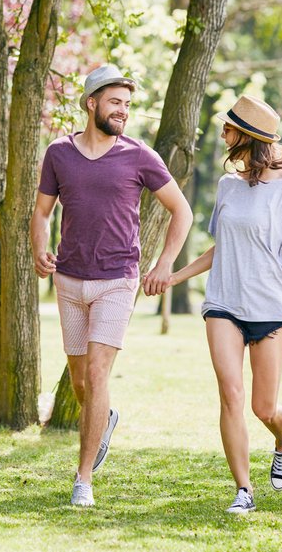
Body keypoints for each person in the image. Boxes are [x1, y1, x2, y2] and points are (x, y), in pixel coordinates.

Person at [162, 95, 282, 514]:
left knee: (263, 407)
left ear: (248, 137)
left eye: (228, 128)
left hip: (272, 306)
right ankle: (243, 490)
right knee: (230, 395)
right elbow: (219, 248)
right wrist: (174, 277)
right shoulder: (227, 186)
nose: (222, 133)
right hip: (224, 301)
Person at [30, 64, 193, 507]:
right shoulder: (59, 154)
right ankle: (106, 417)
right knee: (82, 382)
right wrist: (39, 248)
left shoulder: (140, 155)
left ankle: (83, 479)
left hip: (117, 281)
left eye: (127, 104)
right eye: (115, 102)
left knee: (99, 374)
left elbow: (182, 212)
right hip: (68, 279)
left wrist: (164, 263)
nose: (123, 111)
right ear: (91, 103)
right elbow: (42, 212)